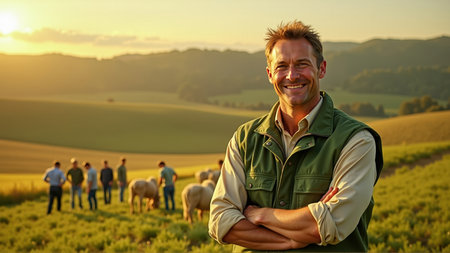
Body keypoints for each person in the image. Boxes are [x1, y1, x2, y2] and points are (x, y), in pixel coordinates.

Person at [208, 21, 383, 252]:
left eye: (302, 64)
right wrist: (292, 239)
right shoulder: (245, 138)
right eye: (282, 66)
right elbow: (221, 221)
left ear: (321, 69)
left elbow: (328, 225)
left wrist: (260, 214)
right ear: (270, 74)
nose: (291, 75)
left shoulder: (356, 140)